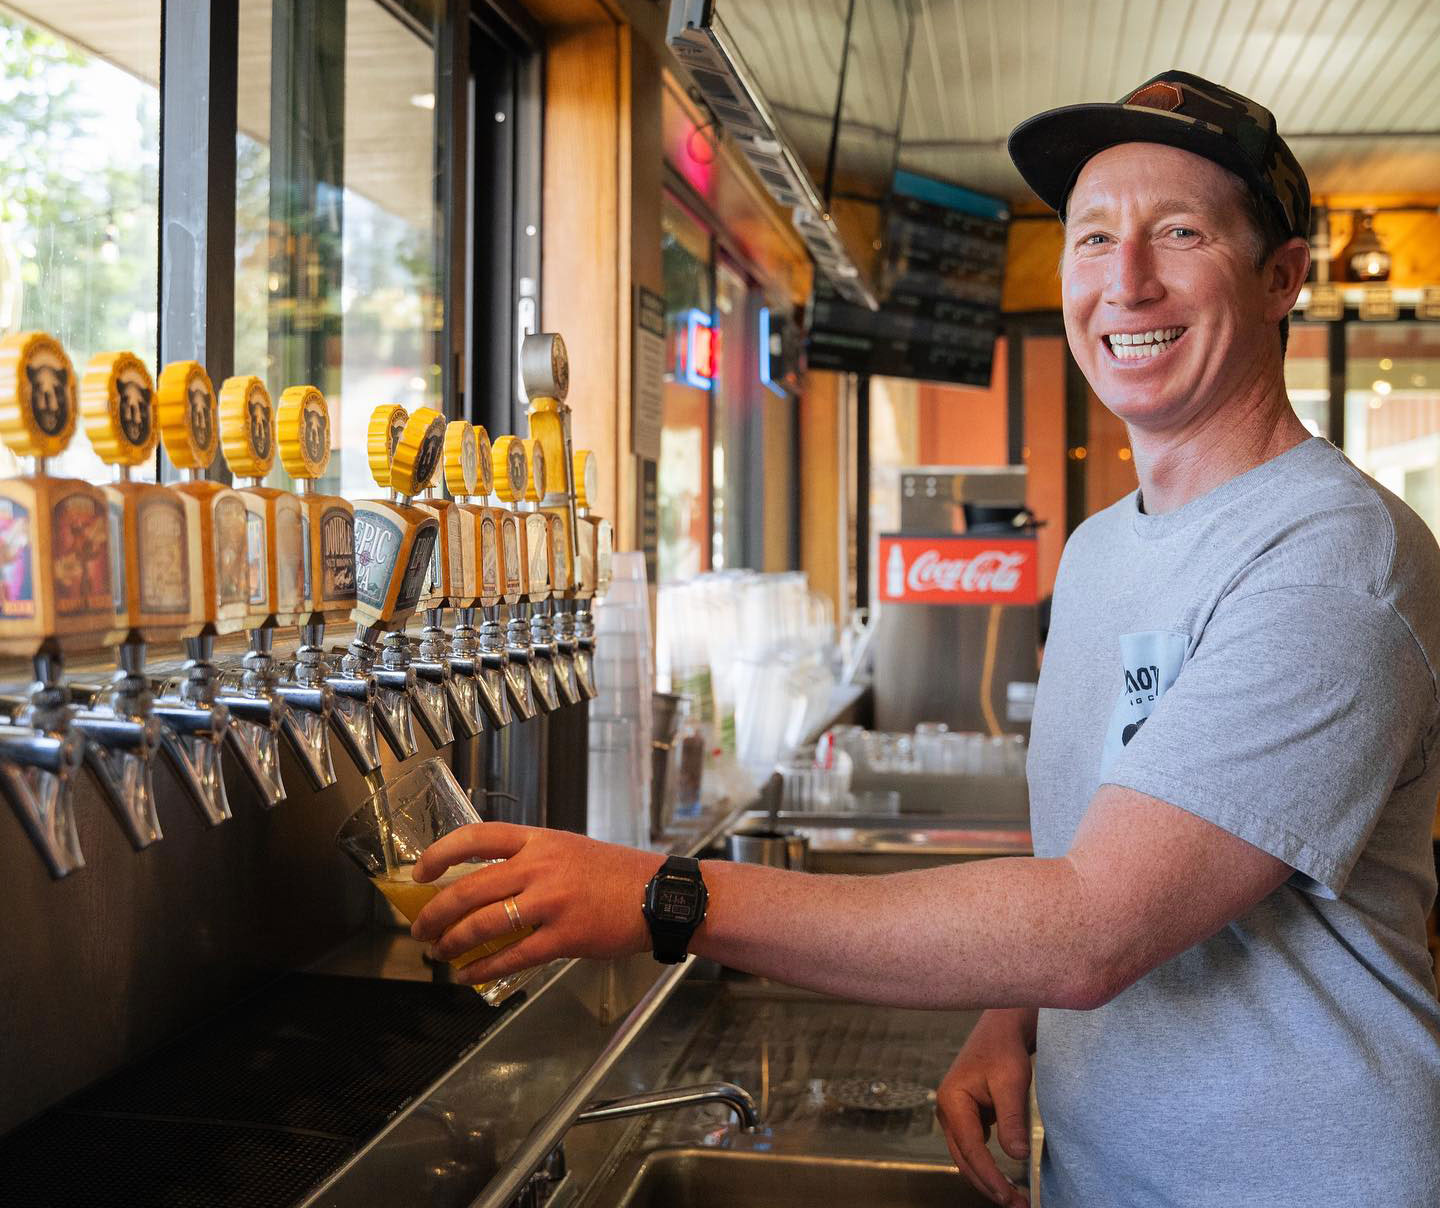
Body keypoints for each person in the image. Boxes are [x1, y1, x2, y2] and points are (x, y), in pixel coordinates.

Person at [409, 70, 1440, 1205]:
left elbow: (1095, 926)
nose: (1126, 280)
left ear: (1283, 276)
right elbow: (1083, 856)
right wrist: (1011, 1014)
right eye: (1094, 237)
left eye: (1180, 233)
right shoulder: (1101, 550)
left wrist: (669, 897)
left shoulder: (1334, 561)